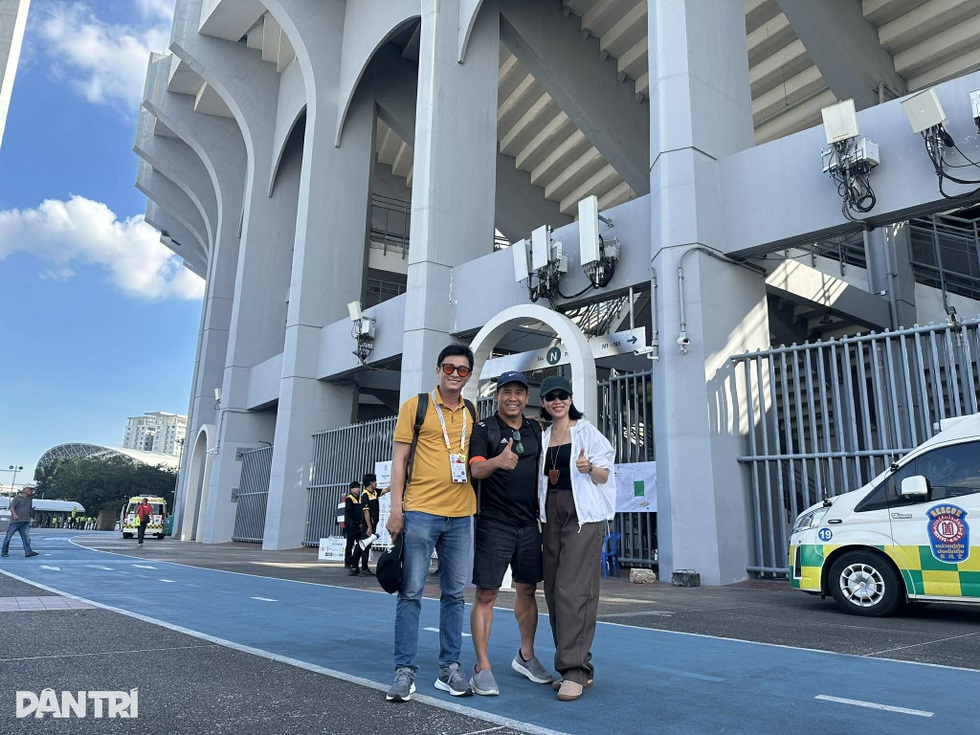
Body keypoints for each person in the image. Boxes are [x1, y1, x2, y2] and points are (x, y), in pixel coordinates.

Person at [385, 344, 477, 703]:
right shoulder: (417, 406)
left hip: (461, 515)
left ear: (469, 375)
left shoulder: (471, 411)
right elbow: (399, 461)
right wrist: (396, 509)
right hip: (421, 512)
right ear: (438, 370)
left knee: (454, 596)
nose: (455, 375)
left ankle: (449, 669)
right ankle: (404, 672)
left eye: (462, 371)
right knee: (411, 593)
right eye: (449, 368)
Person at [467, 370, 553, 696]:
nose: (513, 397)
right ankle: (482, 666)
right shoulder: (484, 428)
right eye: (507, 392)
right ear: (497, 395)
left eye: (519, 392)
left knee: (528, 590)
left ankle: (525, 656)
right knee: (486, 595)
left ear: (526, 397)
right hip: (494, 522)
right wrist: (498, 461)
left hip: (529, 524)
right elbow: (475, 469)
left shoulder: (534, 427)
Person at [537, 375, 616, 702]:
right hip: (550, 516)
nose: (557, 401)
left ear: (570, 399)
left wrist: (587, 468)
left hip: (583, 515)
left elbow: (605, 472)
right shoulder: (542, 437)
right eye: (551, 396)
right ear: (543, 402)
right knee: (555, 590)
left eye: (563, 395)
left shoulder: (587, 433)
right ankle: (577, 664)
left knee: (574, 589)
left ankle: (574, 671)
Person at [359, 473, 388, 575]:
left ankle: (359, 567)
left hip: (374, 523)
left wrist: (397, 483)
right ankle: (363, 569)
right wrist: (369, 527)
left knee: (367, 545)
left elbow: (385, 490)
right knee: (365, 545)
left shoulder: (375, 492)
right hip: (368, 524)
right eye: (375, 481)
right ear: (371, 483)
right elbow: (366, 512)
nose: (376, 483)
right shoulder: (365, 495)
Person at [2, 484, 40, 558]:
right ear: (25, 489)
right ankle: (4, 551)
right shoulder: (17, 498)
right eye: (30, 489)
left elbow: (34, 495)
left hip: (25, 521)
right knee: (8, 537)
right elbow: (12, 507)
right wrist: (14, 514)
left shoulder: (30, 498)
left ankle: (28, 551)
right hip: (15, 521)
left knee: (27, 538)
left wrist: (31, 511)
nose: (31, 491)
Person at [343, 481, 365, 575]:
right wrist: (353, 523)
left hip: (359, 525)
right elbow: (349, 513)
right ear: (351, 489)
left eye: (358, 487)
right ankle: (348, 561)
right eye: (355, 488)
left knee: (359, 544)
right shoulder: (349, 499)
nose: (357, 489)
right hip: (351, 525)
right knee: (350, 544)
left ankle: (354, 561)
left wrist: (361, 522)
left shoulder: (360, 499)